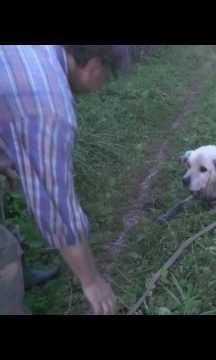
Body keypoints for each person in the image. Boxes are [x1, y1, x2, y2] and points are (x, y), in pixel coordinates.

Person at [0, 45, 129, 315]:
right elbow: (55, 205)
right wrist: (91, 280)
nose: (100, 86)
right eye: (105, 77)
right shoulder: (49, 109)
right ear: (94, 65)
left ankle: (22, 276)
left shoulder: (40, 51)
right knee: (4, 257)